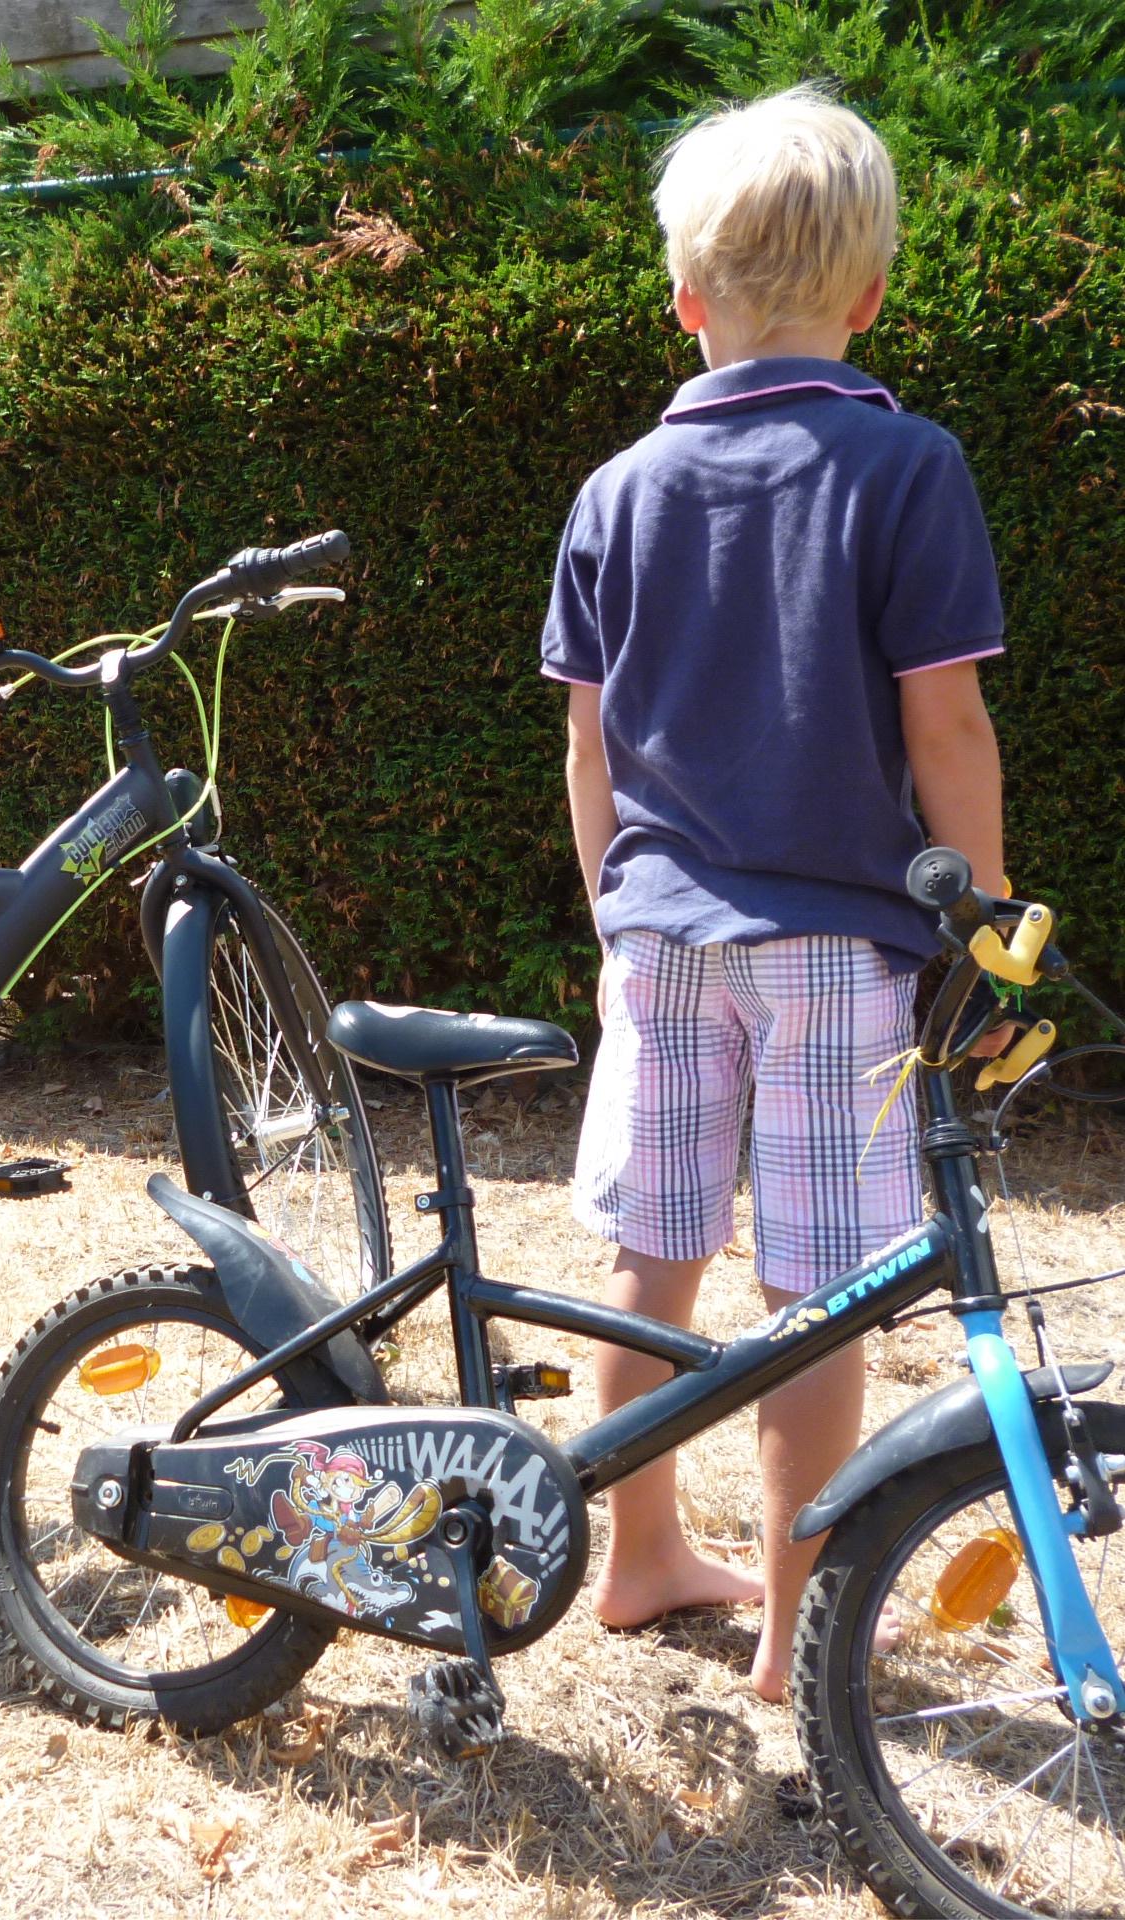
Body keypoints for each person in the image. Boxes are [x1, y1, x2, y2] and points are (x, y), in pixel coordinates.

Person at [539, 84, 1009, 1700]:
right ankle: (799, 1626)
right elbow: (943, 718)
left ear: (686, 301)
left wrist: (620, 913)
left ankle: (638, 1554)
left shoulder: (614, 491)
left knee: (653, 1252)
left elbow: (592, 751)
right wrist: (986, 912)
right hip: (836, 941)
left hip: (661, 931)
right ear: (872, 295)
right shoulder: (905, 464)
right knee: (823, 1288)